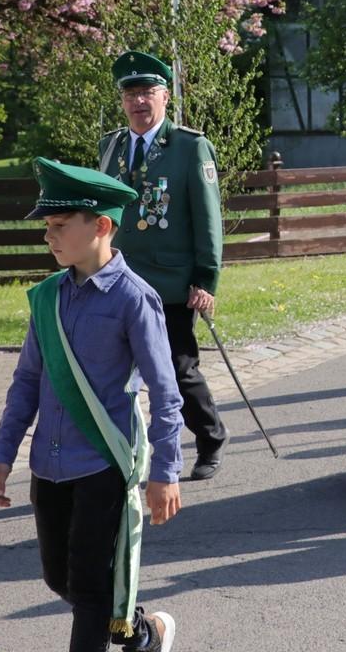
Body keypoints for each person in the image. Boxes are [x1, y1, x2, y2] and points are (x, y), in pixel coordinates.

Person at [0, 158, 183, 652]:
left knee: (90, 589)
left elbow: (165, 391)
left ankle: (123, 626)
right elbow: (27, 381)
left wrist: (166, 471)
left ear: (101, 227)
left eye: (58, 225)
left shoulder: (134, 299)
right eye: (47, 226)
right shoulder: (47, 297)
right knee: (61, 578)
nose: (48, 236)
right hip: (48, 466)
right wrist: (3, 453)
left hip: (102, 463)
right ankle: (142, 631)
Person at [98, 51, 229, 480]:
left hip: (170, 282)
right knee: (113, 371)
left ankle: (210, 438)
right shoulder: (111, 146)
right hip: (119, 278)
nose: (139, 101)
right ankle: (122, 454)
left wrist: (205, 278)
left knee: (175, 368)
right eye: (131, 94)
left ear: (165, 97)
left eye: (147, 92)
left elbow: (208, 219)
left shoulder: (189, 147)